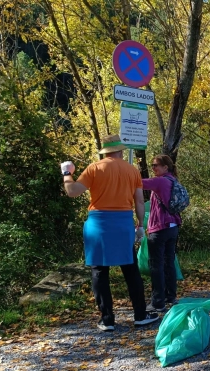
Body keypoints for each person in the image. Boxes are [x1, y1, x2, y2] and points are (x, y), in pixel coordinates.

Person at [61, 134, 159, 332]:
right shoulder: (132, 171)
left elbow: (72, 191)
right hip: (122, 224)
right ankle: (140, 315)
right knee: (131, 270)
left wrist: (67, 172)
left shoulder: (95, 168)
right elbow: (139, 201)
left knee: (99, 271)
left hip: (98, 225)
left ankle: (107, 319)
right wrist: (140, 224)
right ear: (120, 151)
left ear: (104, 151)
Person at [142, 155, 183, 312]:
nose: (153, 168)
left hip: (160, 227)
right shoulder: (173, 180)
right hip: (173, 226)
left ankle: (157, 302)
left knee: (156, 265)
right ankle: (170, 297)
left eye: (156, 165)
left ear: (166, 167)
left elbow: (137, 183)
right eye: (152, 165)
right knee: (168, 262)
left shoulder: (160, 181)